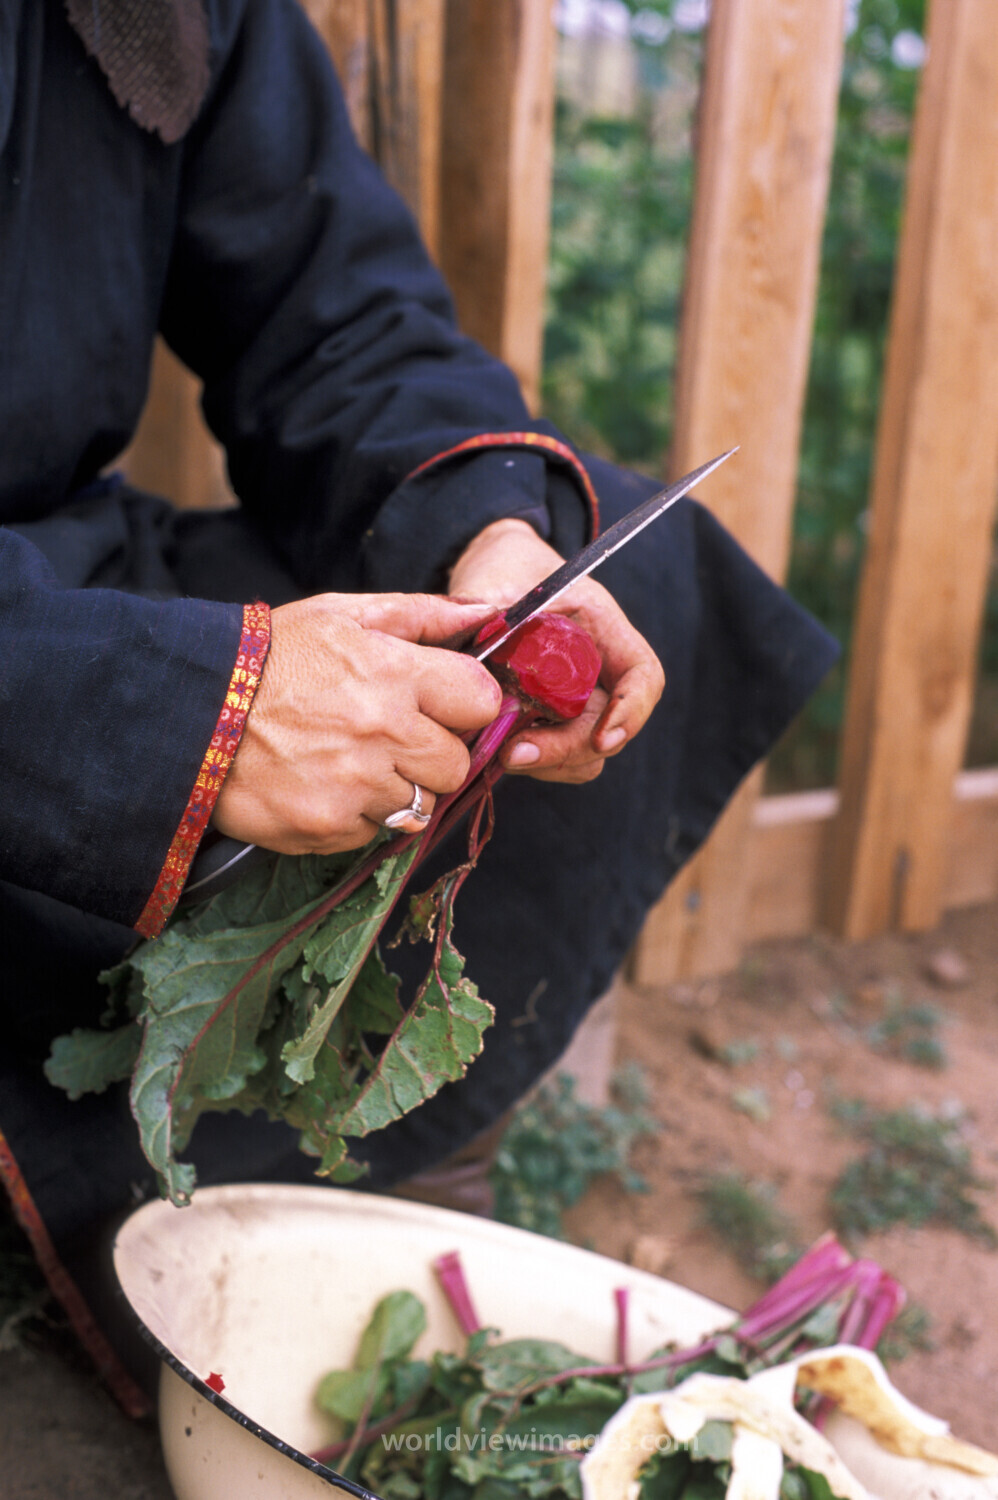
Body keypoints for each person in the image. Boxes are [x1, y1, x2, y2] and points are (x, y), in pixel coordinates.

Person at [0, 0, 837, 1408]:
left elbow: (335, 320)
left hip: (72, 567)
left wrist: (487, 542)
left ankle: (366, 1159)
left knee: (637, 553)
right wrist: (180, 716)